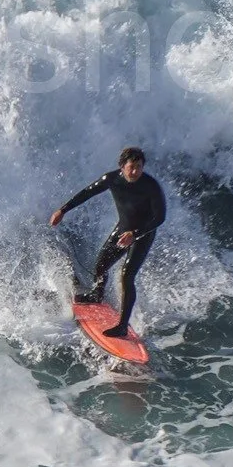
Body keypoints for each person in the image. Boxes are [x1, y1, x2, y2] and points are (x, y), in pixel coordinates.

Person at [50, 145, 167, 340]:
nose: (136, 171)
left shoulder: (151, 186)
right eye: (132, 167)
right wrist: (62, 210)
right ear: (122, 166)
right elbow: (87, 193)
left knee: (127, 276)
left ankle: (122, 326)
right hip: (122, 229)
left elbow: (160, 218)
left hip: (143, 234)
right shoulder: (111, 179)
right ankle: (97, 294)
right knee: (101, 264)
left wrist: (135, 233)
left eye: (139, 167)